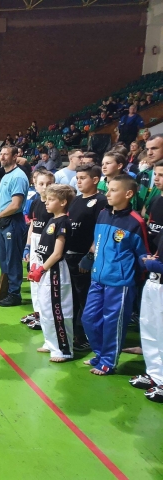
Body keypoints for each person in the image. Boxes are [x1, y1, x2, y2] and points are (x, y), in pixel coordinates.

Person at [81, 175, 148, 375]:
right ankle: (100, 354)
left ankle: (108, 362)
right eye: (108, 189)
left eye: (113, 190)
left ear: (128, 194)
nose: (107, 194)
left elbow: (143, 254)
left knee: (113, 323)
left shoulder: (136, 222)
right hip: (97, 278)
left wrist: (133, 278)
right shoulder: (103, 214)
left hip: (120, 283)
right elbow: (97, 242)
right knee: (88, 318)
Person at [28, 184, 76, 362]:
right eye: (46, 199)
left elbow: (57, 253)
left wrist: (42, 269)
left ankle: (64, 349)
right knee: (45, 308)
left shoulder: (63, 222)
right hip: (45, 268)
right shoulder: (52, 220)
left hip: (54, 270)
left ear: (63, 202)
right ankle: (51, 342)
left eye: (51, 200)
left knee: (57, 310)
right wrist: (36, 265)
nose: (46, 203)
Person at [129, 159, 163, 401]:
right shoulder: (158, 201)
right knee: (150, 326)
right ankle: (155, 374)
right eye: (156, 174)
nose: (157, 178)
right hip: (153, 276)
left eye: (162, 174)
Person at [67, 164, 108, 351]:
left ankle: (85, 335)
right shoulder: (76, 200)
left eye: (83, 178)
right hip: (70, 257)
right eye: (77, 178)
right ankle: (73, 332)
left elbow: (100, 231)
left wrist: (91, 255)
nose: (79, 181)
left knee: (85, 299)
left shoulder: (101, 201)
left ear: (95, 180)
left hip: (85, 258)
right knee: (72, 298)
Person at [0, 146, 30, 307]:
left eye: (6, 154)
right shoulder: (6, 175)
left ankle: (14, 293)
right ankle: (4, 287)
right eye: (1, 154)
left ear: (15, 157)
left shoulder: (18, 176)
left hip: (13, 221)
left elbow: (16, 204)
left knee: (12, 259)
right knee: (4, 258)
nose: (2, 157)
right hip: (4, 221)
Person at [22, 171, 54, 329]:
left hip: (47, 243)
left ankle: (46, 315)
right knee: (33, 277)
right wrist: (27, 247)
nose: (45, 187)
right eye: (41, 184)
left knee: (44, 280)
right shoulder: (35, 202)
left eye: (49, 184)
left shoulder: (53, 205)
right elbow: (33, 226)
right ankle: (37, 312)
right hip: (34, 242)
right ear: (35, 185)